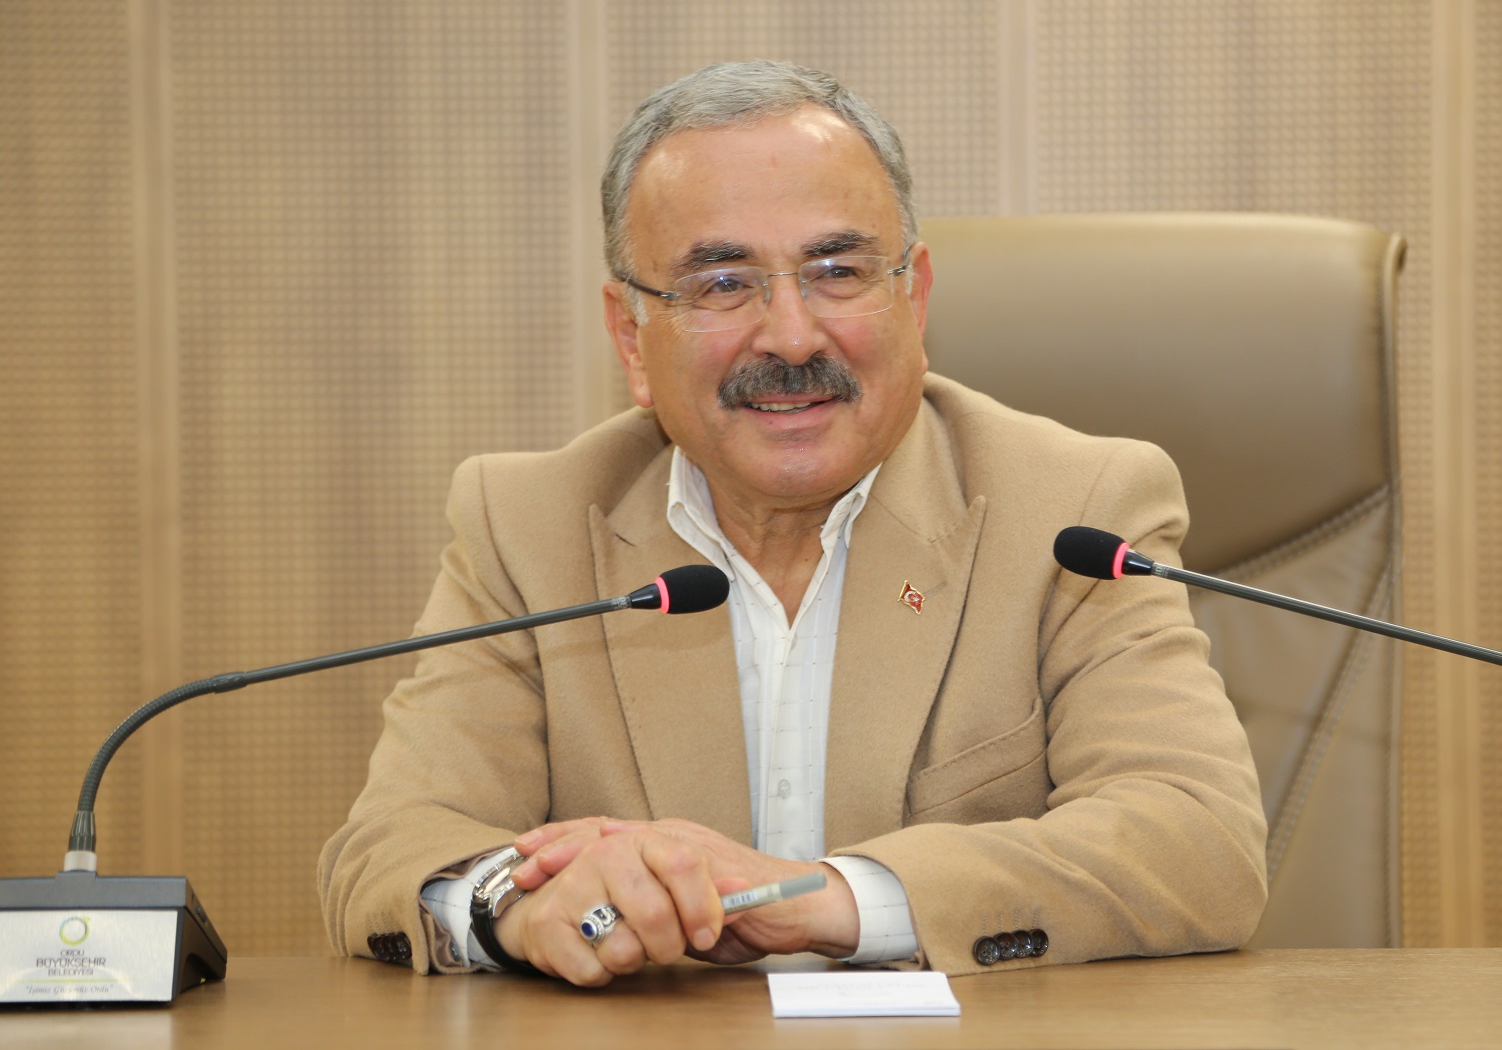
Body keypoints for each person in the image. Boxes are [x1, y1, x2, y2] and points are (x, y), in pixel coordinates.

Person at [319, 60, 1267, 985]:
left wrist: (832, 898)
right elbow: (390, 847)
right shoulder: (528, 525)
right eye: (723, 284)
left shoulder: (1076, 510)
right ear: (630, 337)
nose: (791, 335)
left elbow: (1197, 838)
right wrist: (515, 901)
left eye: (838, 271)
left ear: (913, 297)